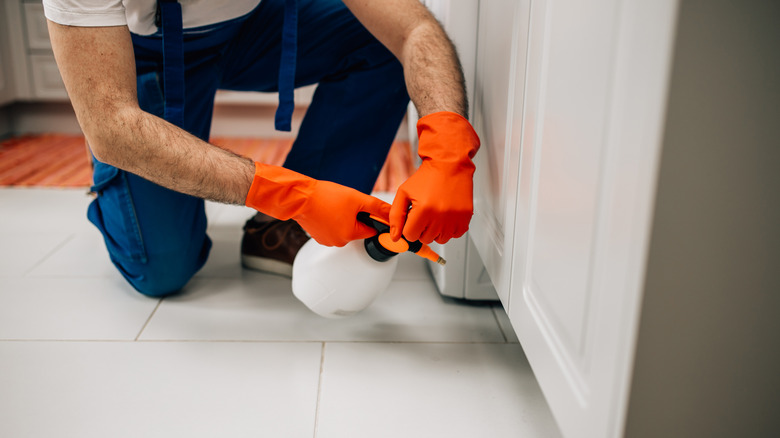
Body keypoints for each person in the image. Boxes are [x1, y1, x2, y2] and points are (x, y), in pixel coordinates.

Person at [43, 0, 480, 297]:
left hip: (252, 25)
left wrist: (449, 152)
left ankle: (281, 231)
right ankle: (124, 180)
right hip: (145, 48)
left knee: (377, 38)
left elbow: (413, 27)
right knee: (162, 271)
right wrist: (290, 192)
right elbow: (110, 123)